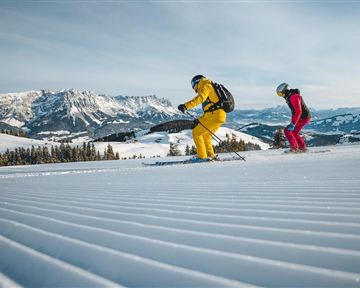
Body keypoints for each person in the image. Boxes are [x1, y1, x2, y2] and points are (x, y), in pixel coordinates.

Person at [178, 75, 226, 161]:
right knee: (206, 135)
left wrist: (185, 106)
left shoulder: (206, 85)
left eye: (193, 84)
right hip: (217, 115)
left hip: (214, 115)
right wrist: (199, 120)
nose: (193, 88)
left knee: (196, 133)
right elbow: (210, 109)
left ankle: (202, 157)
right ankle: (210, 155)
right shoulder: (210, 86)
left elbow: (200, 98)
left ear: (198, 81)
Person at [276, 83, 311, 152]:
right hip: (303, 117)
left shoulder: (294, 96)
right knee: (294, 132)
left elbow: (298, 111)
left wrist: (293, 123)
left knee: (287, 131)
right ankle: (303, 148)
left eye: (281, 94)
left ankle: (294, 148)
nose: (282, 96)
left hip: (303, 117)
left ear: (285, 91)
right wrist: (292, 122)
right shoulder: (291, 96)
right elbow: (294, 112)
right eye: (280, 95)